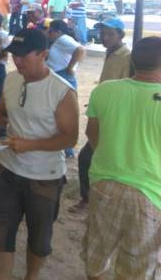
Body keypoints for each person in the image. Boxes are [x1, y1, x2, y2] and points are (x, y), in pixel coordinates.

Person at [0, 29, 79, 280]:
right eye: (15, 54)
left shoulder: (62, 91)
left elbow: (69, 138)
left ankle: (31, 277)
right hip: (7, 168)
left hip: (44, 176)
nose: (18, 60)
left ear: (44, 54)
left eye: (25, 55)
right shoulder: (12, 80)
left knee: (39, 238)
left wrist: (30, 145)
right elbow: (2, 112)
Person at [81, 37, 161, 280]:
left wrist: (112, 154)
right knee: (136, 272)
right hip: (151, 194)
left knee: (96, 258)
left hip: (105, 185)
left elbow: (92, 136)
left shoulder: (105, 90)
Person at [69, 17, 131, 215]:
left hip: (113, 118)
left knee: (88, 157)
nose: (104, 37)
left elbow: (126, 89)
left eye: (110, 34)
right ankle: (92, 199)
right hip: (103, 114)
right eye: (103, 33)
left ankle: (90, 201)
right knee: (92, 158)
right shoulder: (111, 53)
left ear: (120, 35)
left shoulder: (126, 57)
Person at [46, 19, 84, 158]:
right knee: (59, 112)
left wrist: (70, 67)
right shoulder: (60, 40)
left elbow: (80, 50)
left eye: (50, 31)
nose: (48, 33)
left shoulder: (63, 39)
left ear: (57, 31)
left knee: (65, 113)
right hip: (59, 75)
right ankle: (64, 147)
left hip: (63, 75)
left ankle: (67, 149)